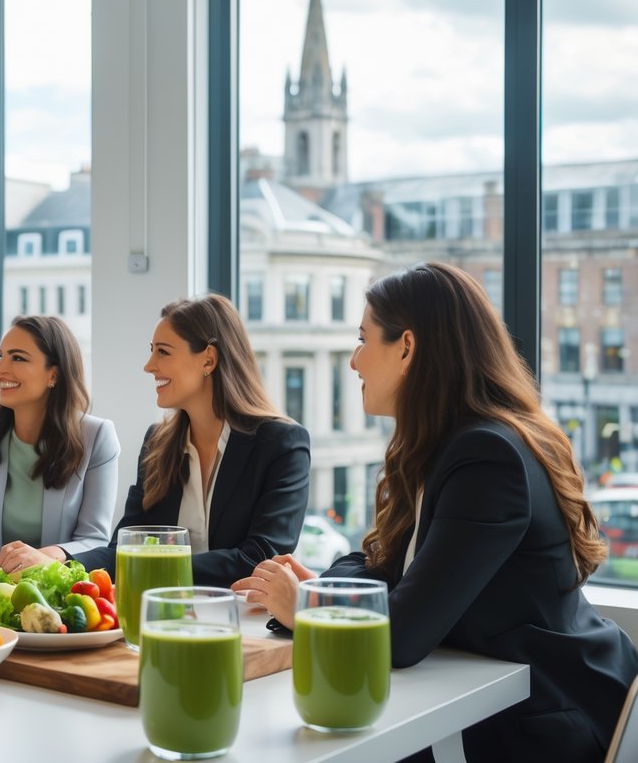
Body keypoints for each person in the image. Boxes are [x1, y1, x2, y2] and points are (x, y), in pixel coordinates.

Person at [234, 262, 638, 762]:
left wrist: (308, 606)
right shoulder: (442, 446)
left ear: (407, 347)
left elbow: (402, 636)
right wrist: (323, 589)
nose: (354, 362)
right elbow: (376, 564)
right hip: (487, 704)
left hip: (545, 722)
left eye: (363, 340)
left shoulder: (488, 457)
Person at [60, 294, 311, 586]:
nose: (149, 366)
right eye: (152, 351)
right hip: (161, 615)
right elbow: (124, 550)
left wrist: (153, 567)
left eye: (163, 352)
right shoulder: (158, 443)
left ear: (208, 359)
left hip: (244, 619)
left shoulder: (282, 444)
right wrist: (62, 562)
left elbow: (260, 558)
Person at [0, 316, 119, 572]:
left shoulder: (97, 437)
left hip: (63, 590)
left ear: (54, 374)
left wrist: (49, 557)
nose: (0, 369)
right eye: (1, 356)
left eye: (17, 358)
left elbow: (95, 538)